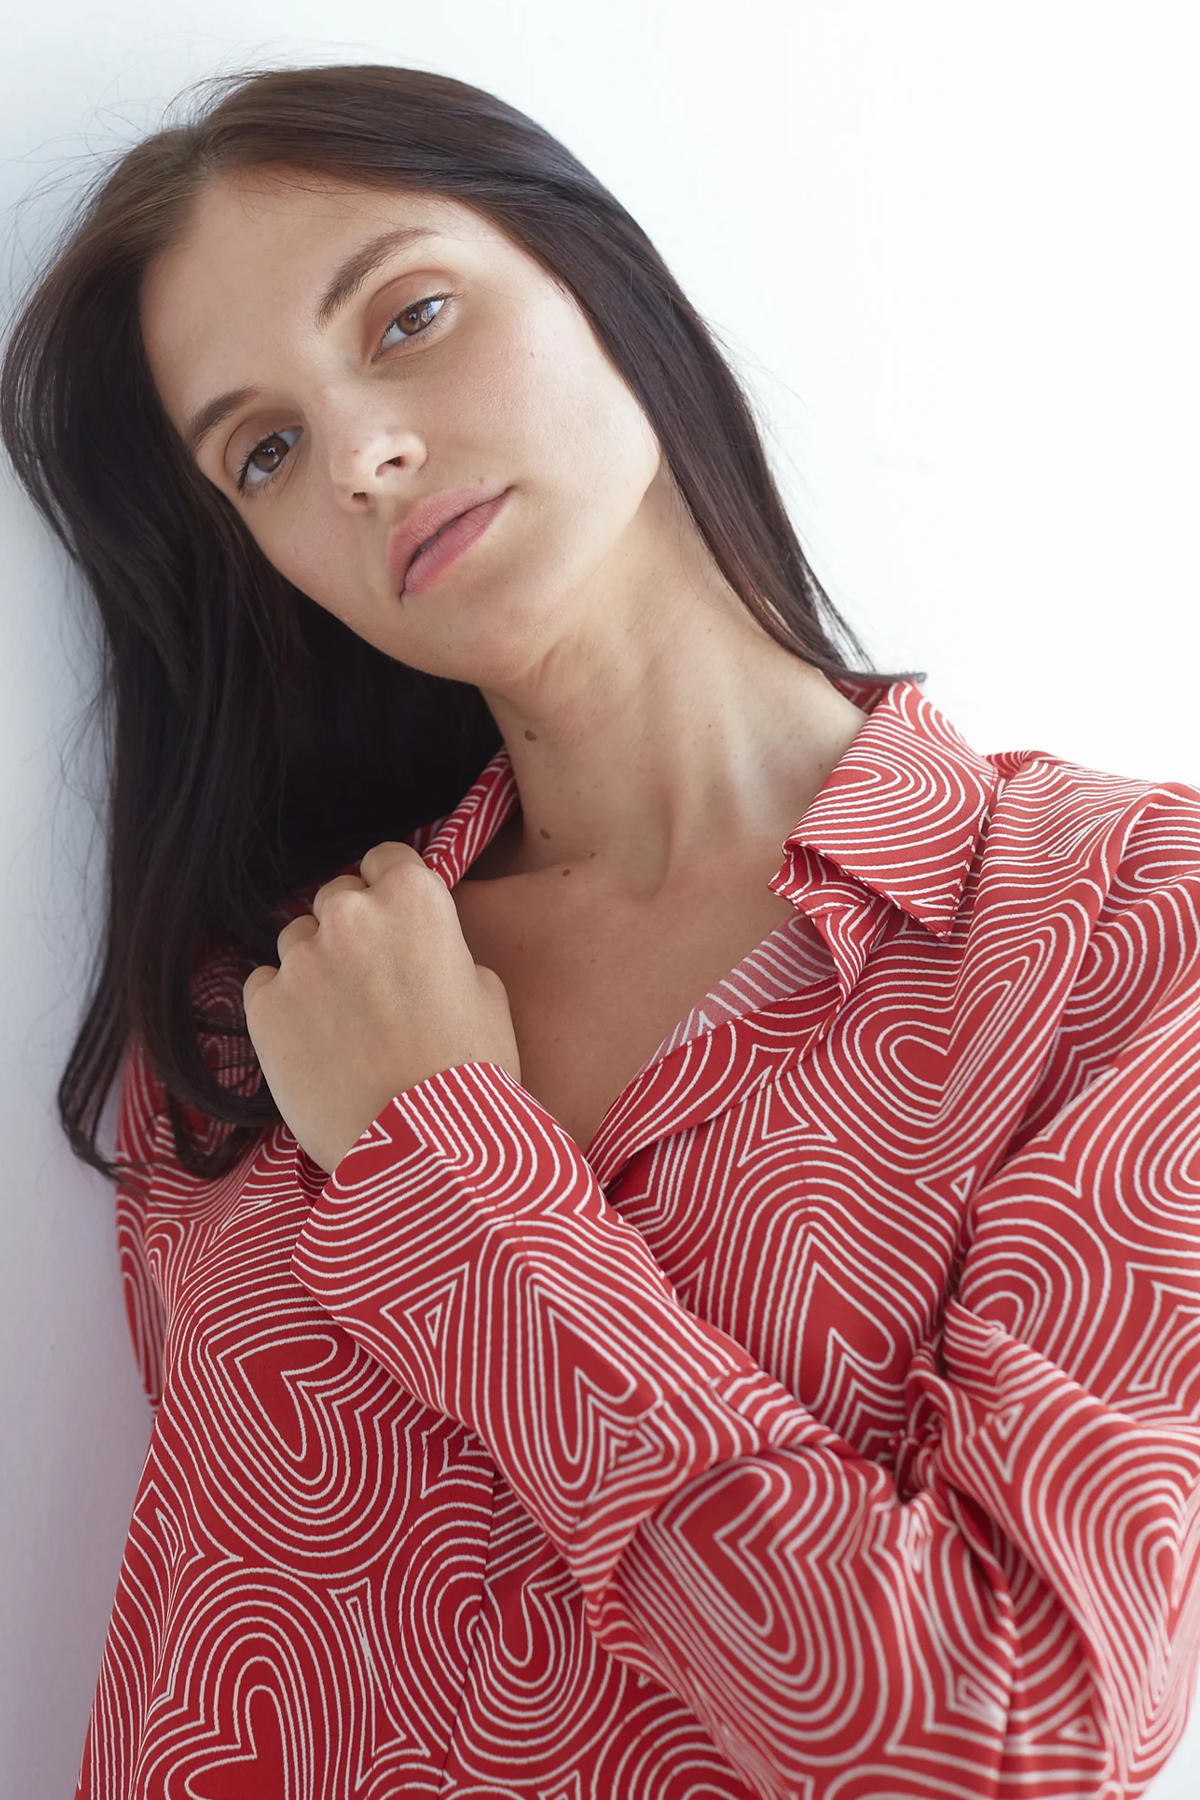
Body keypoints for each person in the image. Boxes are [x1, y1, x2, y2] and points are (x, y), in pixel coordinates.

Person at [3, 60, 1199, 1800]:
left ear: (601, 282)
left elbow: (1001, 1736)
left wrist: (442, 1170)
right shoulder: (254, 1015)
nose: (361, 454)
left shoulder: (1115, 924)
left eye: (409, 316)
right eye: (263, 450)